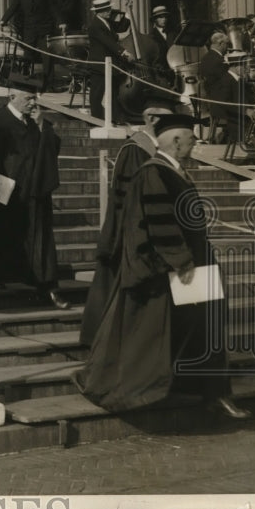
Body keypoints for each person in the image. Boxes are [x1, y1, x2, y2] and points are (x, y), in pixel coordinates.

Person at [73, 113, 251, 419]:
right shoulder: (154, 173)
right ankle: (209, 394)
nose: (196, 143)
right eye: (192, 139)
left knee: (204, 328)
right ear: (176, 141)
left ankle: (212, 394)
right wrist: (183, 264)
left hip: (191, 263)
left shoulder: (173, 170)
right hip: (179, 267)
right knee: (184, 330)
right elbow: (159, 225)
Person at [79, 90, 178, 346]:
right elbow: (133, 205)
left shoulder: (155, 151)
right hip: (133, 239)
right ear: (153, 119)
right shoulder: (137, 151)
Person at [0, 79, 66, 309]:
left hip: (34, 190)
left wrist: (41, 125)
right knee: (4, 235)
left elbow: (52, 150)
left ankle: (45, 284)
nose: (32, 103)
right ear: (11, 97)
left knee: (38, 238)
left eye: (34, 98)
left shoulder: (36, 122)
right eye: (27, 98)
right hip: (5, 191)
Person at [0, 0, 66, 92]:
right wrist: (3, 21)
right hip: (29, 31)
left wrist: (61, 22)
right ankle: (25, 84)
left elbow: (53, 6)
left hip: (45, 30)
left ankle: (49, 86)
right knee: (27, 57)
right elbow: (13, 7)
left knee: (48, 58)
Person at [87, 0, 134, 121]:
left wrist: (128, 11)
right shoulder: (95, 25)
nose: (109, 11)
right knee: (97, 93)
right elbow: (109, 42)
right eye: (106, 9)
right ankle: (95, 119)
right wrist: (124, 52)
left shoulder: (106, 22)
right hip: (99, 63)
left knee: (113, 91)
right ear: (98, 11)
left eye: (108, 8)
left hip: (108, 63)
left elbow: (120, 28)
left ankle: (115, 117)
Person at [149, 5, 176, 86]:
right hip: (160, 75)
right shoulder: (151, 36)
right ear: (155, 20)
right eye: (160, 17)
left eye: (165, 17)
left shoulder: (172, 34)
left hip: (174, 70)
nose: (164, 19)